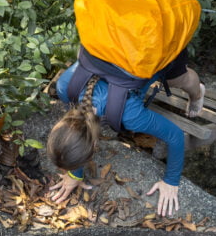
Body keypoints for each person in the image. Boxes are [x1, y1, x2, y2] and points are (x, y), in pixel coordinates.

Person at [47, 48, 205, 217]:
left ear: (95, 145)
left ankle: (198, 93)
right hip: (117, 43)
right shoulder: (65, 86)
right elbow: (77, 131)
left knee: (181, 79)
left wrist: (171, 181)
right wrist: (75, 173)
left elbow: (175, 135)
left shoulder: (129, 115)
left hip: (156, 47)